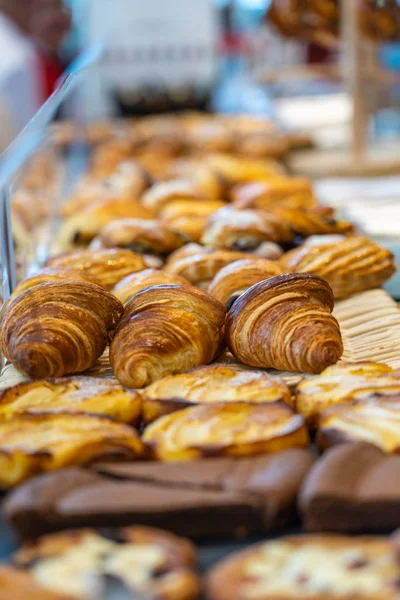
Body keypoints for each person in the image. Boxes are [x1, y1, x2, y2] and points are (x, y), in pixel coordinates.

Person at [0, 0, 71, 153]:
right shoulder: (16, 58)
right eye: (45, 8)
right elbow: (24, 139)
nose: (56, 16)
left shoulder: (32, 51)